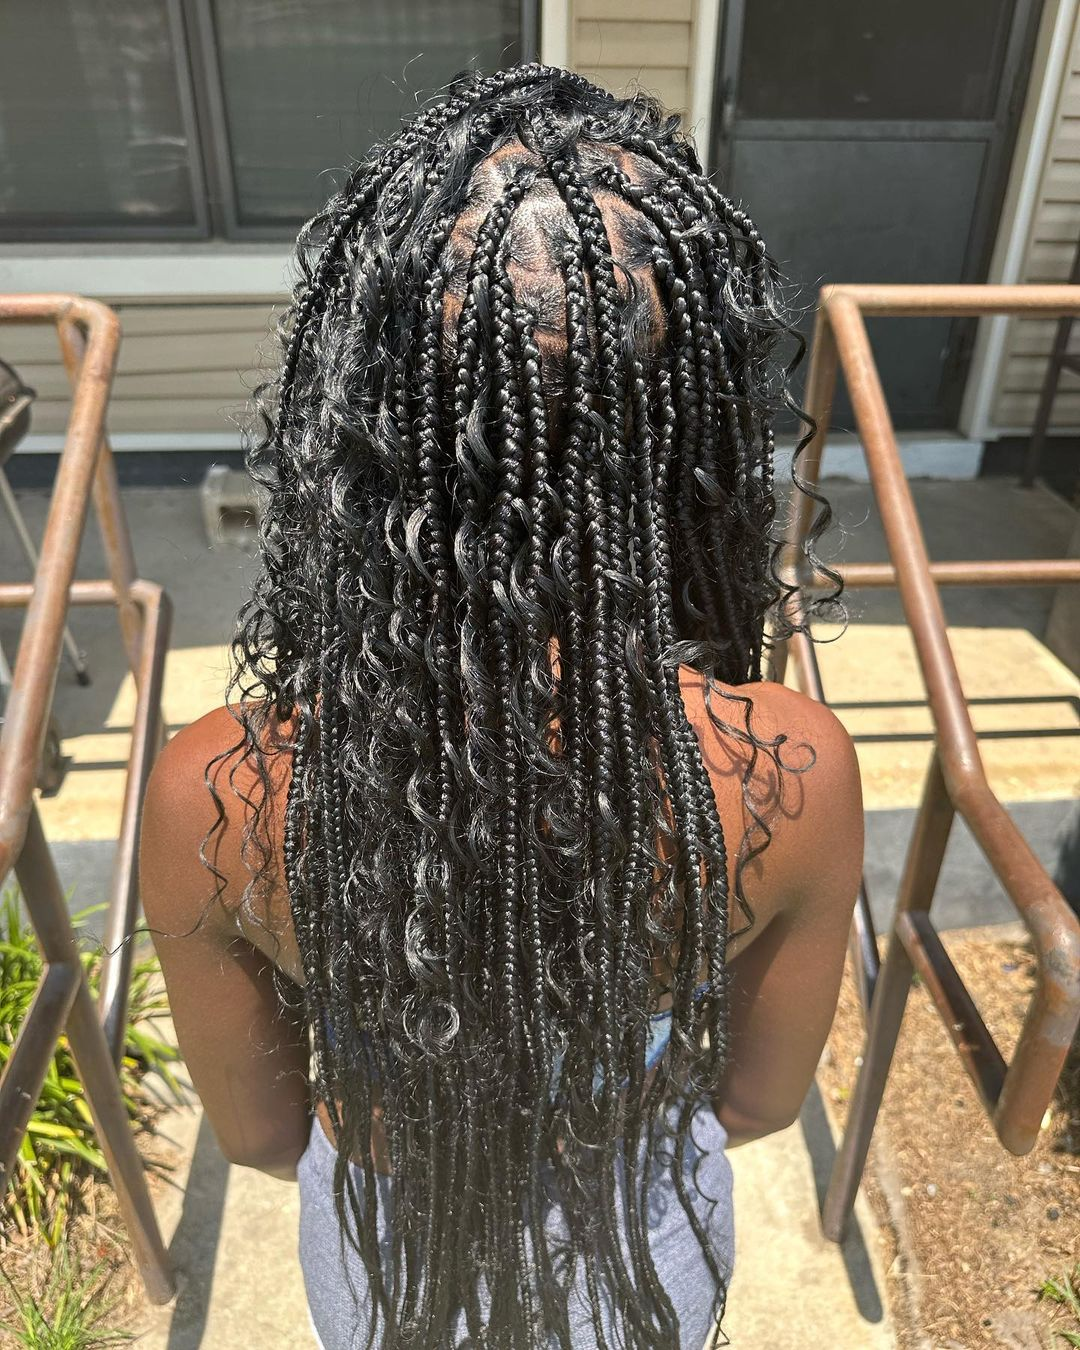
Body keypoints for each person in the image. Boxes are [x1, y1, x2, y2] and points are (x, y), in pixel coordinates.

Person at [140, 62, 863, 1350]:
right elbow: (755, 1103)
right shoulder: (788, 773)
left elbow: (256, 1134)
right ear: (692, 428)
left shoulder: (219, 795)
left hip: (385, 1267)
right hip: (641, 1253)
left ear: (358, 417)